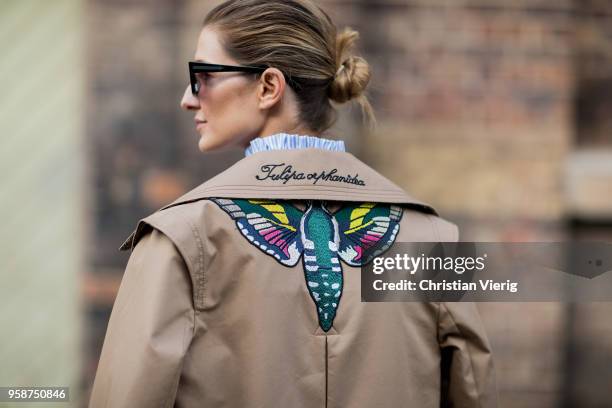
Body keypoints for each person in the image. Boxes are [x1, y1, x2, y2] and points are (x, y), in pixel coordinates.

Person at [89, 0, 498, 407]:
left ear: (269, 87)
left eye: (204, 76)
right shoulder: (430, 237)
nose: (188, 98)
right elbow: (472, 391)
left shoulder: (182, 239)